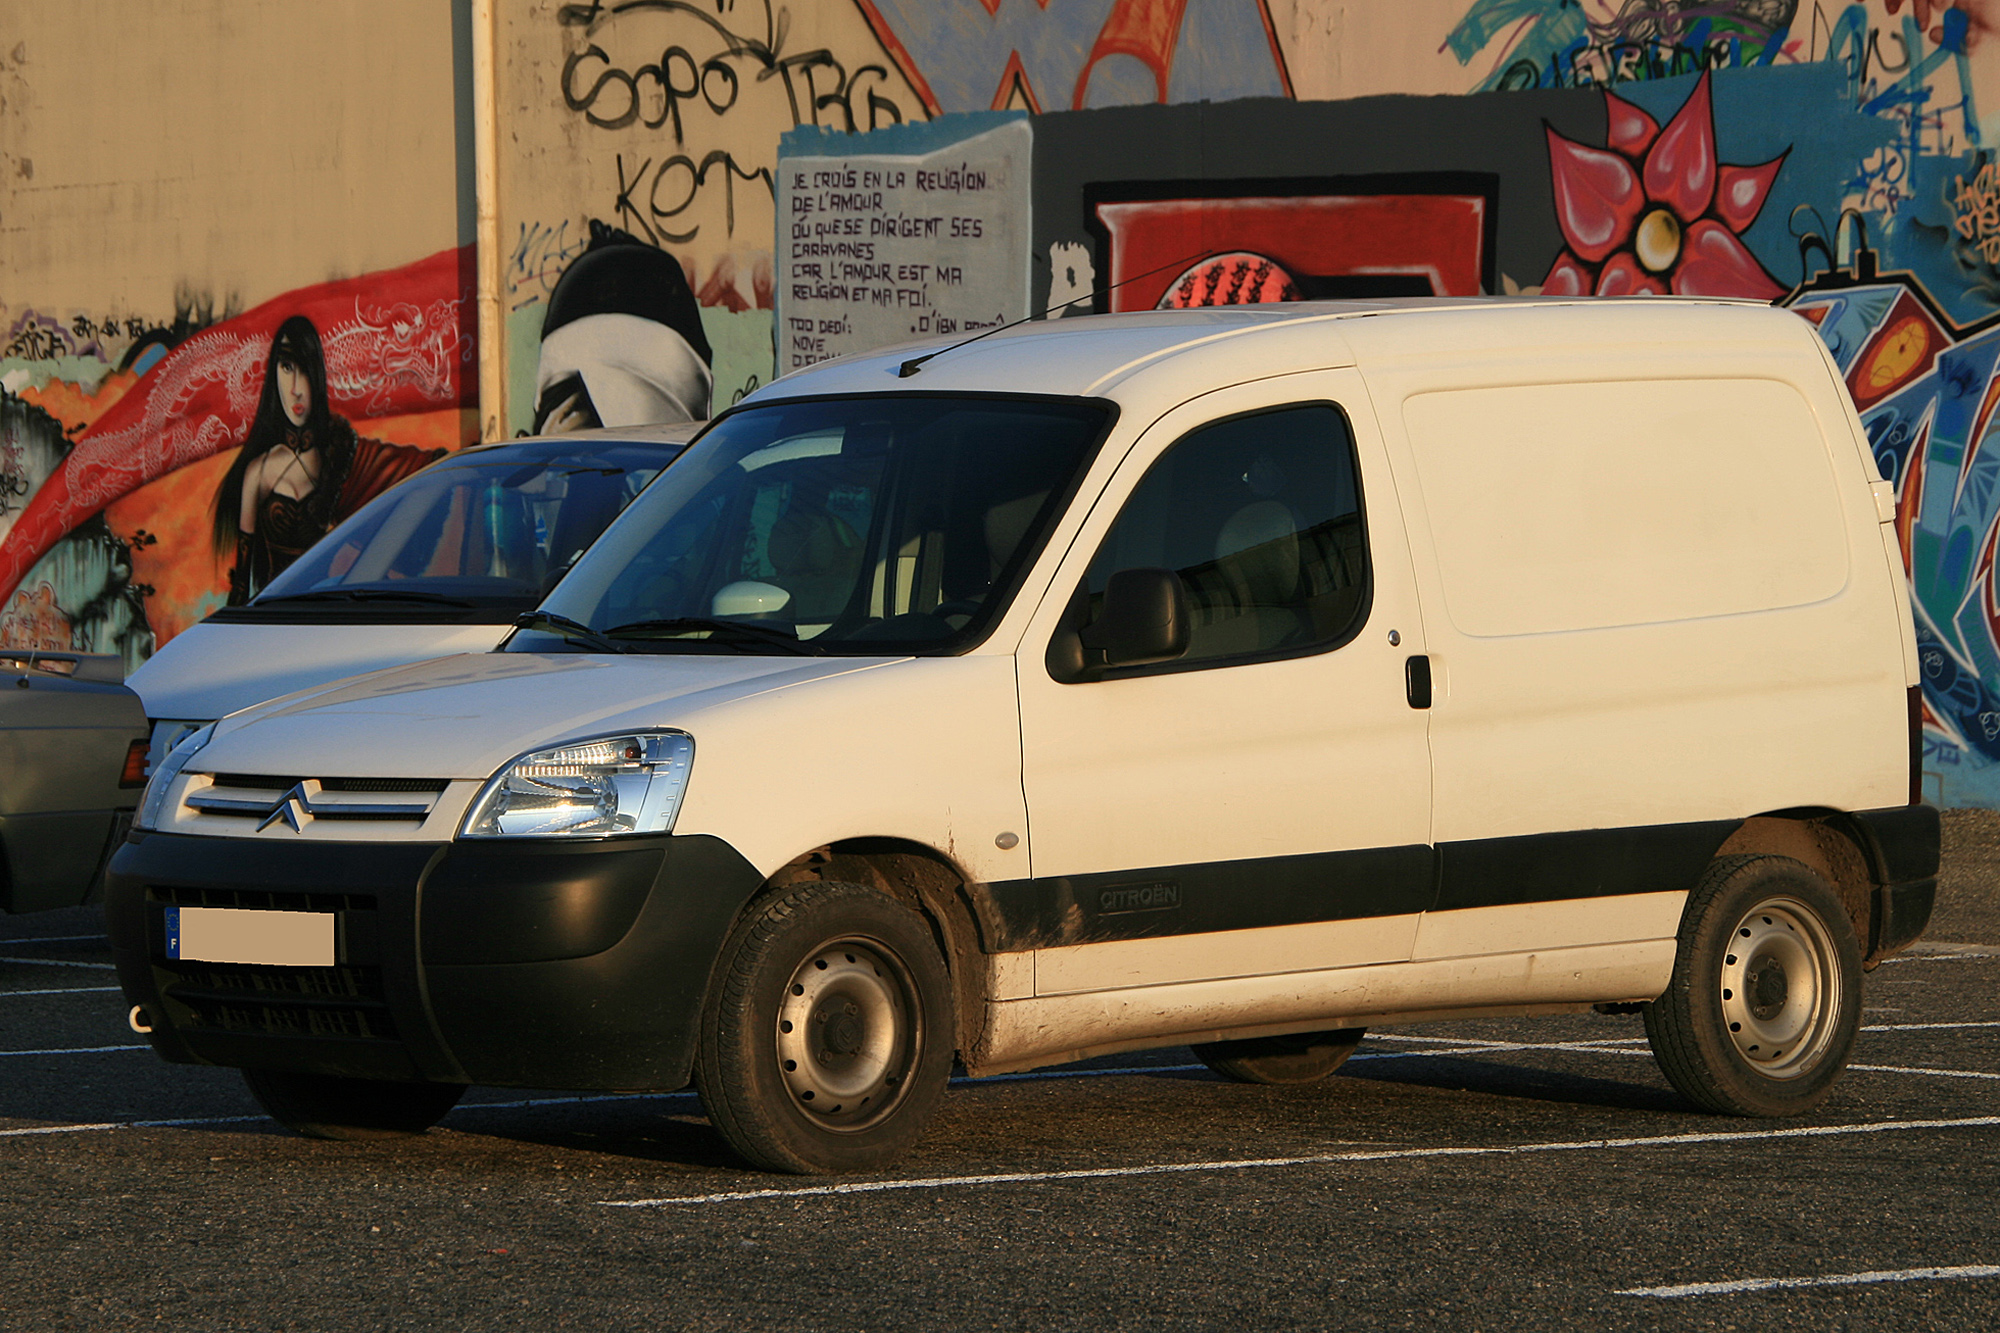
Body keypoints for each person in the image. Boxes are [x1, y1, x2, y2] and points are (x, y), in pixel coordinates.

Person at [213, 315, 446, 604]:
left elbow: (396, 470)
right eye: (286, 368)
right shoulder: (258, 472)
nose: (296, 387)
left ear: (319, 377)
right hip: (271, 620)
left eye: (306, 371)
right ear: (273, 374)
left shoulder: (341, 460)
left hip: (325, 614)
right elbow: (240, 586)